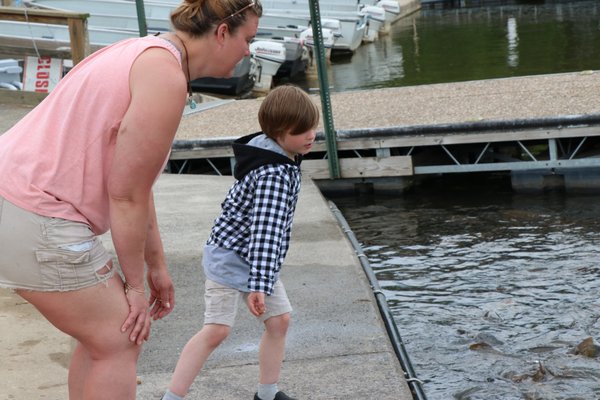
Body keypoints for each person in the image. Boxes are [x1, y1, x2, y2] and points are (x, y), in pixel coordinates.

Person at [0, 0, 262, 399]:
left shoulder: (139, 52)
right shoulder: (165, 78)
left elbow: (135, 184)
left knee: (102, 339)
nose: (249, 52)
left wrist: (156, 265)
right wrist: (135, 288)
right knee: (121, 337)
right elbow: (125, 195)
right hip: (34, 211)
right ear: (222, 32)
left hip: (15, 199)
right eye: (248, 39)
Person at [161, 84, 319, 400]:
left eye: (313, 127)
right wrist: (259, 284)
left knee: (279, 321)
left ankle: (267, 393)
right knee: (217, 329)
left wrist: (260, 279)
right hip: (231, 257)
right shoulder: (273, 173)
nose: (311, 135)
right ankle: (172, 397)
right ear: (278, 132)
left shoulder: (279, 155)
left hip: (257, 260)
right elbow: (265, 232)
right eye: (302, 131)